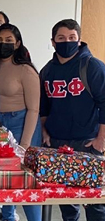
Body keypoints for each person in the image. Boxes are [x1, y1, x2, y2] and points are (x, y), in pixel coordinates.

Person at [40, 19, 105, 221]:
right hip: (57, 143)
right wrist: (44, 131)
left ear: (79, 40)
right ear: (53, 42)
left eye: (71, 38)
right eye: (61, 38)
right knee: (66, 200)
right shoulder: (47, 70)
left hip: (87, 142)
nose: (66, 41)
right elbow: (43, 106)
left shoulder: (92, 67)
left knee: (95, 201)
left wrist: (101, 139)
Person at [0, 23, 42, 221]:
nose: (4, 44)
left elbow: (34, 109)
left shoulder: (26, 70)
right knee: (5, 177)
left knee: (26, 180)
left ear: (17, 44)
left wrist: (25, 144)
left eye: (9, 41)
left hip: (22, 123)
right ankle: (9, 217)